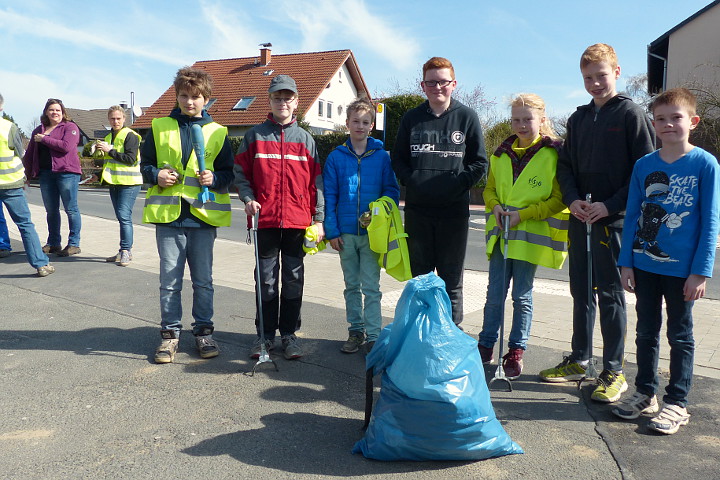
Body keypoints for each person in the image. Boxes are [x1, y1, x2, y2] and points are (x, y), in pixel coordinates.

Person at [539, 44, 656, 403]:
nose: (594, 83)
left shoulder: (631, 115)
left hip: (612, 222)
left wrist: (610, 206)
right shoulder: (576, 119)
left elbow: (645, 172)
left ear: (616, 73)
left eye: (601, 75)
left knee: (610, 294)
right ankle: (580, 359)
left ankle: (614, 370)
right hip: (580, 218)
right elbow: (565, 167)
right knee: (581, 291)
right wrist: (573, 199)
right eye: (588, 78)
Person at [612, 88, 719, 434]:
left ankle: (677, 402)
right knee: (646, 332)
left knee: (680, 335)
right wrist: (626, 262)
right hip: (644, 266)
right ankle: (645, 393)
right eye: (661, 118)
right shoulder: (644, 165)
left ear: (693, 121)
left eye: (676, 117)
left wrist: (701, 271)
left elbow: (710, 220)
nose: (668, 124)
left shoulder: (705, 164)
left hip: (682, 272)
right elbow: (632, 217)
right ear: (653, 124)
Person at [140, 67, 234, 364]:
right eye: (184, 95)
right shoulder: (158, 126)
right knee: (170, 280)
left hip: (203, 218)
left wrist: (214, 180)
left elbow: (228, 174)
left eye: (196, 97)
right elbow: (144, 166)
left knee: (203, 280)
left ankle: (203, 332)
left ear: (206, 99)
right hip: (168, 217)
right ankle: (169, 336)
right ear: (177, 95)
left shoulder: (218, 131)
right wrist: (156, 175)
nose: (189, 102)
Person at [391, 57, 487, 326]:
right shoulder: (412, 118)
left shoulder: (467, 117)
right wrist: (414, 181)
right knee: (420, 282)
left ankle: (449, 338)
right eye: (431, 82)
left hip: (453, 214)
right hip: (418, 212)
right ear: (423, 85)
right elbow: (398, 160)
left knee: (451, 283)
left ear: (453, 84)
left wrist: (455, 184)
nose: (437, 87)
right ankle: (420, 341)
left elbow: (480, 163)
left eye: (443, 82)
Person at [477, 94, 568, 379]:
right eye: (516, 119)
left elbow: (558, 199)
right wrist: (495, 207)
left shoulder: (554, 153)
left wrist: (523, 215)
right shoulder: (500, 153)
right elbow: (489, 189)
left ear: (541, 119)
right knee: (494, 295)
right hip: (502, 235)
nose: (521, 124)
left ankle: (516, 350)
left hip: (529, 238)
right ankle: (485, 344)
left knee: (521, 296)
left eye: (527, 119)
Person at [235, 74, 324, 360]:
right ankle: (263, 337)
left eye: (288, 98)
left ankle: (289, 335)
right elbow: (241, 174)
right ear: (269, 101)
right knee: (266, 281)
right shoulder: (254, 136)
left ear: (296, 102)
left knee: (294, 279)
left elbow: (317, 183)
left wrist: (318, 218)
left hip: (299, 222)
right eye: (277, 97)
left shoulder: (306, 140)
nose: (282, 102)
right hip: (266, 222)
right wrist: (248, 199)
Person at [323, 97, 400, 354]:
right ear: (347, 124)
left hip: (372, 235)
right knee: (351, 286)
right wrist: (332, 231)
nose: (360, 126)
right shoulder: (335, 157)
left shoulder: (381, 157)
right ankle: (355, 331)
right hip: (345, 234)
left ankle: (374, 336)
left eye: (365, 122)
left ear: (372, 125)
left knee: (371, 286)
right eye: (355, 121)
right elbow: (329, 195)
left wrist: (377, 211)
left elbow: (391, 191)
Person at [0, 93, 54, 276]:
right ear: (2, 106)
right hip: (11, 184)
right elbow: (19, 152)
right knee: (25, 224)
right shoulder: (9, 127)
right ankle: (40, 264)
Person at [23, 98, 83, 257]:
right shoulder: (38, 130)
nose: (54, 112)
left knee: (71, 209)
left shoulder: (70, 127)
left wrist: (45, 139)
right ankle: (54, 242)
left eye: (58, 110)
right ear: (46, 112)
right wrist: (26, 176)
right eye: (51, 110)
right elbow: (29, 155)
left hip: (67, 173)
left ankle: (74, 243)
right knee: (51, 210)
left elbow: (66, 147)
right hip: (46, 174)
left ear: (63, 112)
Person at [95, 105, 142, 267]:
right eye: (113, 119)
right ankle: (122, 250)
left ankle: (126, 251)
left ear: (124, 119)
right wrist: (98, 154)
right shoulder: (108, 138)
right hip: (114, 182)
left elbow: (131, 159)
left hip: (129, 183)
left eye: (118, 118)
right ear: (108, 119)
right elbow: (106, 161)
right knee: (121, 218)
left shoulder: (131, 135)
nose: (115, 121)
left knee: (124, 217)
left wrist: (109, 150)